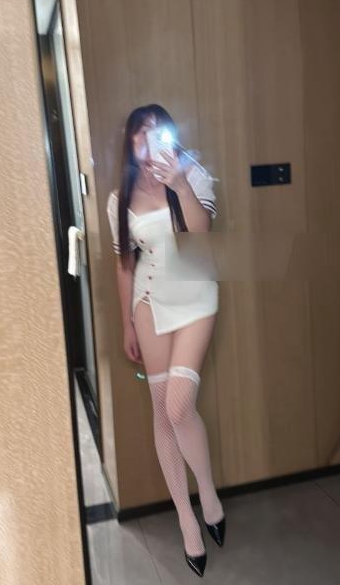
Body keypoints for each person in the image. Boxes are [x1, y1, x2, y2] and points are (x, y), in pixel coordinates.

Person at [106, 103, 226, 577]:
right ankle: (187, 521)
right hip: (149, 304)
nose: (148, 139)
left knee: (179, 407)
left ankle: (209, 497)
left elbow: (201, 234)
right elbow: (124, 266)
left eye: (157, 131)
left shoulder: (192, 174)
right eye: (140, 132)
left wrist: (178, 183)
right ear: (130, 142)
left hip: (196, 297)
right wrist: (126, 323)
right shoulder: (119, 198)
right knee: (162, 413)